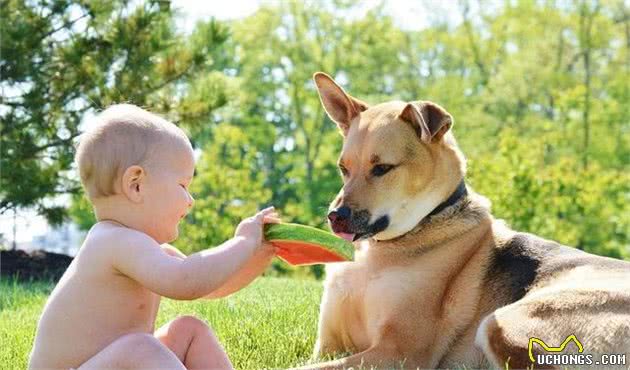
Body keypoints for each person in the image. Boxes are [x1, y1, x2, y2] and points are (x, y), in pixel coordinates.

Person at [28, 104, 280, 369]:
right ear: (136, 184)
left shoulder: (146, 251)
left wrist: (257, 255)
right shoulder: (112, 242)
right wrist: (242, 242)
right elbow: (188, 280)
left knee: (189, 330)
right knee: (140, 347)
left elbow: (211, 285)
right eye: (183, 185)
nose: (190, 200)